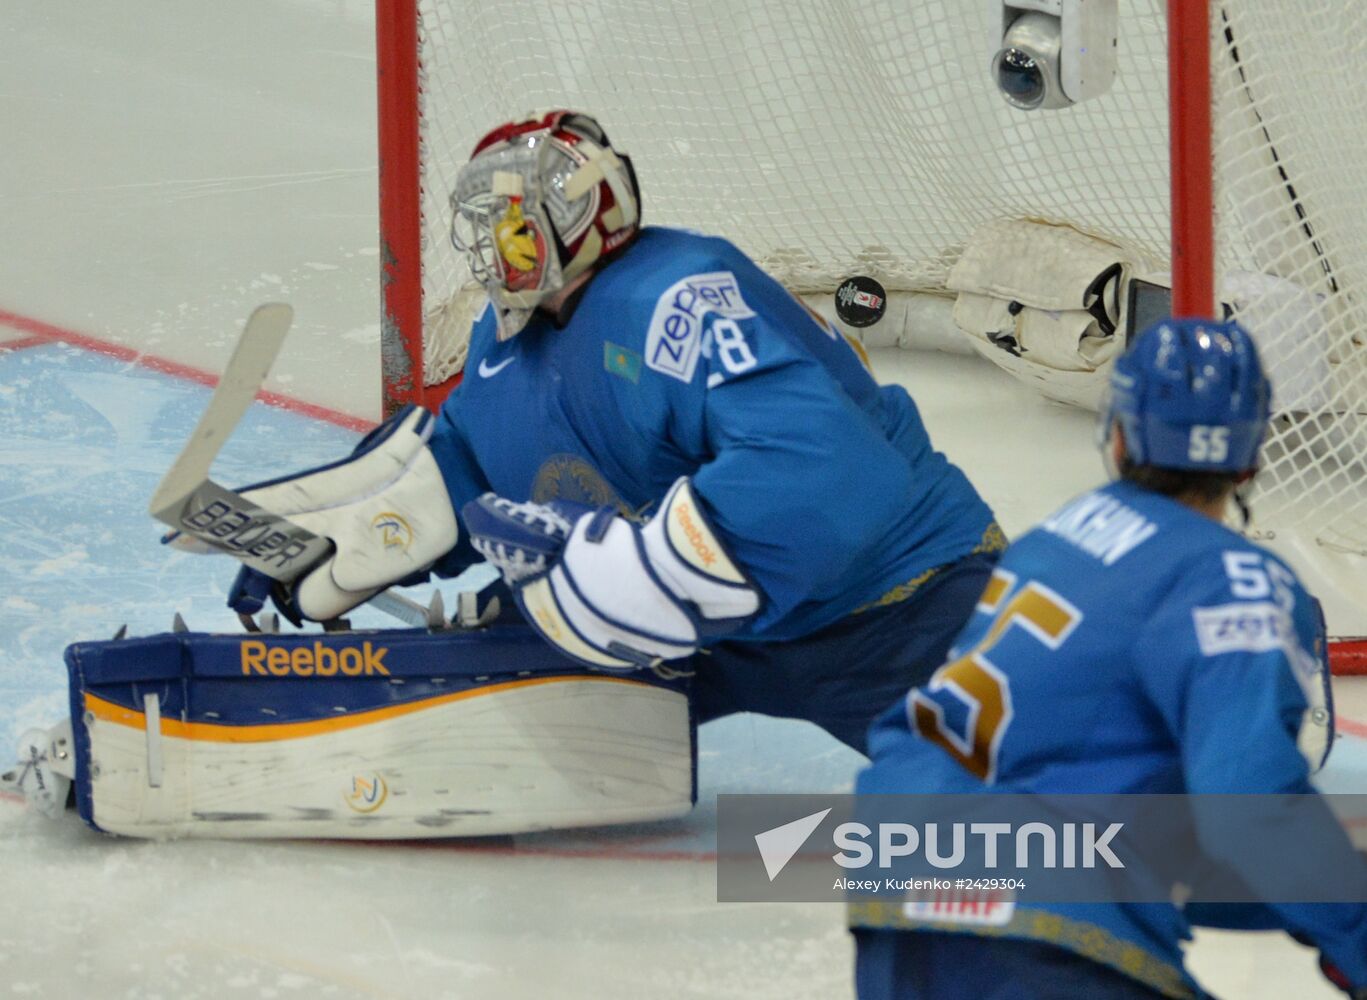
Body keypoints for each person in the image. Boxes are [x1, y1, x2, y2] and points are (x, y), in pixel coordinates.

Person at [226, 109, 1004, 754]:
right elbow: (476, 457)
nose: (493, 251)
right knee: (481, 711)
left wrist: (640, 575)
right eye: (486, 230)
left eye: (513, 230)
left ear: (577, 221)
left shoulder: (682, 297)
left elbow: (826, 471)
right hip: (704, 637)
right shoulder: (506, 339)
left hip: (894, 609)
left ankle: (790, 845)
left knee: (1060, 834)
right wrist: (377, 521)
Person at [850, 318, 1367, 999]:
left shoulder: (1051, 543)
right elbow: (1247, 803)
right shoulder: (1229, 576)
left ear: (1117, 434)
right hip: (1038, 919)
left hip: (896, 890)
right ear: (1250, 458)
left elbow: (1170, 850)